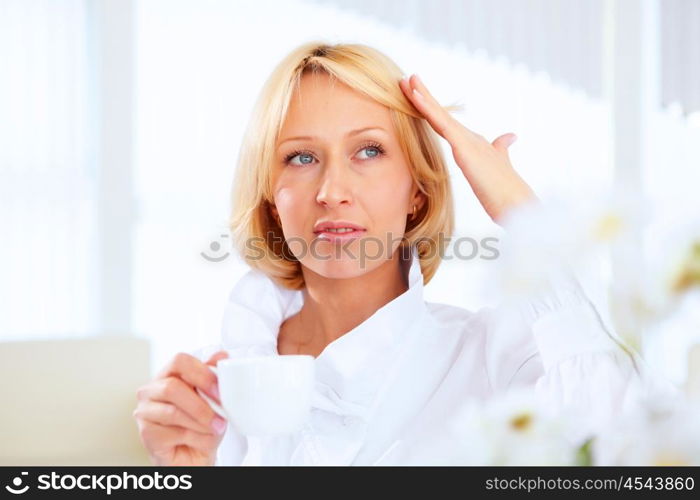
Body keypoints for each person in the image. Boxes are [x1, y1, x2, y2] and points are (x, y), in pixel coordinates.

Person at [133, 41, 656, 466]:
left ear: (417, 191)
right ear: (271, 195)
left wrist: (526, 219)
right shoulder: (217, 385)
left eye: (369, 150)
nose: (332, 190)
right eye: (302, 157)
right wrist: (186, 472)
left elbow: (621, 455)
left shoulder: (498, 357)